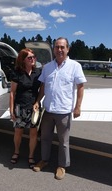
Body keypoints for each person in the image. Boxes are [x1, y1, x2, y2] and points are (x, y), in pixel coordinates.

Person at [32, 37, 87, 180]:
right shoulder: (48, 67)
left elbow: (80, 87)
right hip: (48, 110)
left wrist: (78, 107)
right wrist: (38, 101)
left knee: (64, 141)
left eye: (62, 47)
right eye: (57, 47)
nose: (59, 50)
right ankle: (44, 160)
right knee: (45, 138)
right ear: (54, 49)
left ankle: (62, 166)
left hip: (64, 111)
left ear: (68, 49)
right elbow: (43, 87)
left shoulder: (75, 66)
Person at [9, 48, 41, 169]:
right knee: (18, 132)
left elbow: (42, 88)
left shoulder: (38, 72)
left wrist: (37, 102)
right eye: (29, 57)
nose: (33, 59)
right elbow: (12, 92)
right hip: (20, 107)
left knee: (33, 133)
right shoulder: (17, 73)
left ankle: (31, 156)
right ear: (23, 60)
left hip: (34, 108)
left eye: (34, 56)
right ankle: (16, 151)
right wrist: (11, 110)